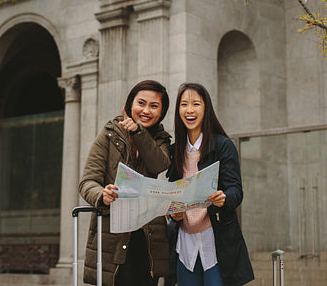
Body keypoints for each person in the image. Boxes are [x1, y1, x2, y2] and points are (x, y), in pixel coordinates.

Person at [79, 80, 172, 286]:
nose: (146, 110)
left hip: (149, 237)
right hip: (114, 234)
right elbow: (87, 181)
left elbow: (159, 164)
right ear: (130, 104)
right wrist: (102, 194)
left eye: (154, 106)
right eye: (141, 103)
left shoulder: (161, 139)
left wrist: (138, 132)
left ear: (162, 111)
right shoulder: (110, 133)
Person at [166, 82, 254, 286]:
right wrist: (172, 212)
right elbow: (171, 194)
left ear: (206, 109)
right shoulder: (174, 151)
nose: (189, 110)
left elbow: (236, 190)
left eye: (196, 104)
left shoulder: (223, 145)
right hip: (184, 244)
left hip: (216, 240)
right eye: (184, 104)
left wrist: (224, 198)